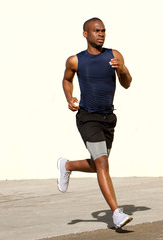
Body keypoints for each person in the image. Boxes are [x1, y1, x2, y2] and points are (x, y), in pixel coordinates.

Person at [57, 17, 133, 229]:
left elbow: (126, 84)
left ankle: (67, 165)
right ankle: (116, 213)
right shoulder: (76, 60)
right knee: (102, 163)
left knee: (100, 164)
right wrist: (69, 98)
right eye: (97, 31)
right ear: (86, 34)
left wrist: (123, 69)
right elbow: (66, 79)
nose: (101, 34)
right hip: (87, 116)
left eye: (104, 31)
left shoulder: (114, 55)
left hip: (108, 118)